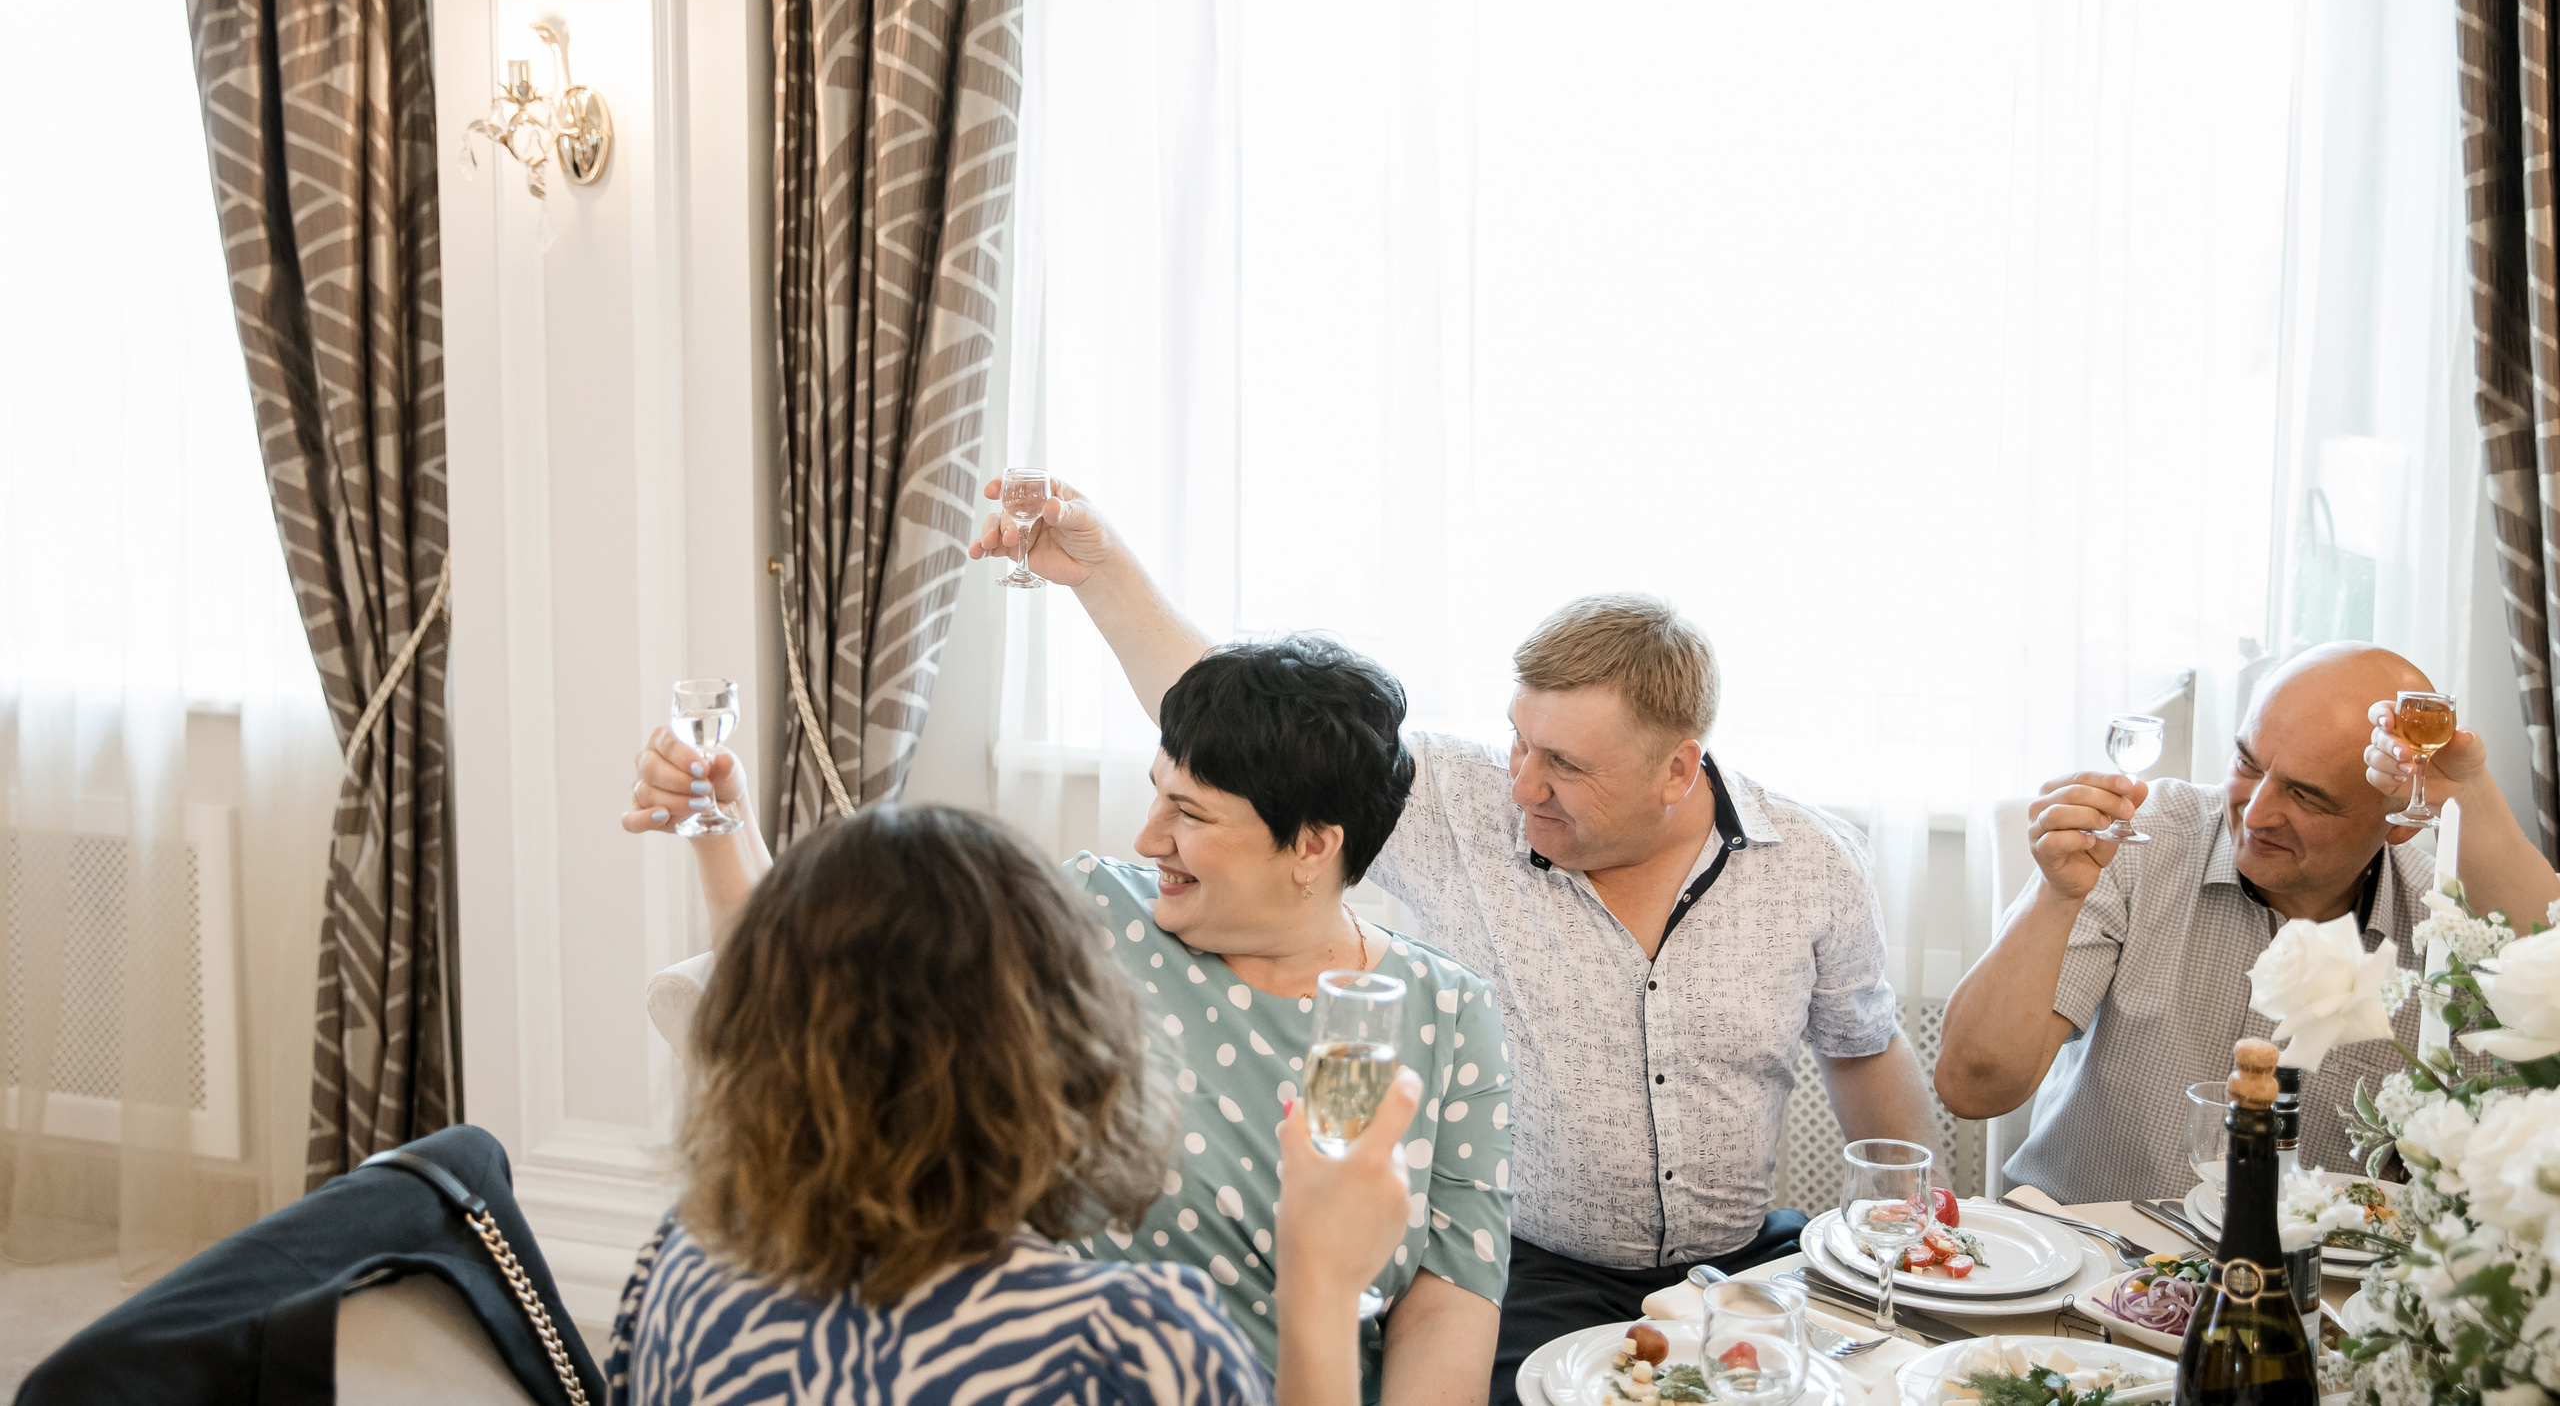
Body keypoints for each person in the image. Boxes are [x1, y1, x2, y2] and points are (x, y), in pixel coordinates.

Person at [960, 479, 1938, 1406]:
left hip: (1744, 1260)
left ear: (1677, 768)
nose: (1522, 783)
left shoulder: (1811, 864)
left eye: (1563, 764)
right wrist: (1098, 567)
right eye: (1519, 740)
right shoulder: (1456, 808)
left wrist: (1910, 1229)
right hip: (1541, 1268)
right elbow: (1247, 737)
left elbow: (1862, 1044)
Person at [625, 637, 1511, 1406]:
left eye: (1190, 812)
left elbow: (1448, 1302)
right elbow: (836, 1006)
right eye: (1157, 791)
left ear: (1315, 843)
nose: (1147, 836)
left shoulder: (1451, 1010)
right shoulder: (1085, 912)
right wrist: (722, 824)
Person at [1935, 643, 2560, 1203]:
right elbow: (1971, 1088)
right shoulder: (2141, 846)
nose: (2255, 813)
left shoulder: (2445, 924)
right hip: (2084, 1263)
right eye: (2248, 763)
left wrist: (2472, 802)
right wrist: (2055, 896)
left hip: (2301, 1304)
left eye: (2307, 796)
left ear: (2397, 821)